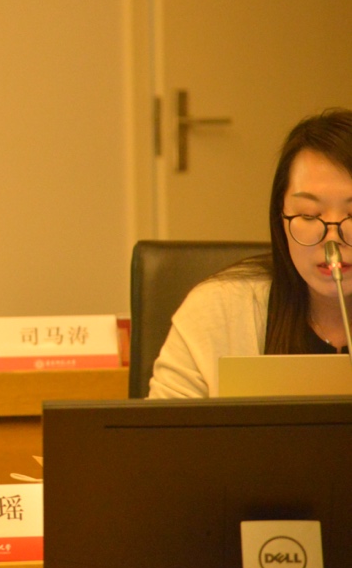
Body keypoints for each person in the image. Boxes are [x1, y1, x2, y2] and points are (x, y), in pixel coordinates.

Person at [149, 108, 352, 397]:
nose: (332, 238)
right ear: (280, 218)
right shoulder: (219, 312)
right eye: (308, 215)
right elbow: (165, 424)